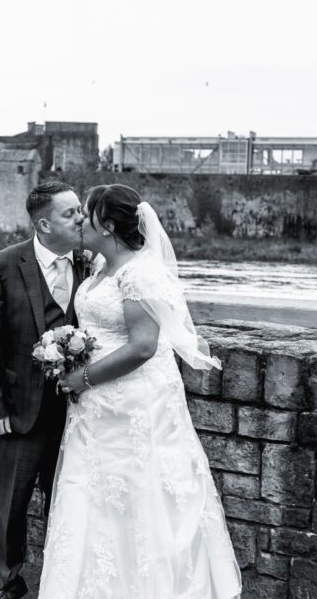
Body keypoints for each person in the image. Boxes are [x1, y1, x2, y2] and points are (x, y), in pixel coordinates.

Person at [39, 184, 242, 599]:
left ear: (109, 225)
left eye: (88, 215)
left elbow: (144, 346)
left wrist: (85, 377)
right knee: (91, 494)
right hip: (96, 408)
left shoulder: (139, 272)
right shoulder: (99, 268)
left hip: (132, 402)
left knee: (138, 493)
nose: (81, 221)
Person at [0, 181, 87, 599]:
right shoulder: (0, 266)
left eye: (81, 210)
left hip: (79, 411)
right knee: (11, 507)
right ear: (43, 224)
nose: (81, 218)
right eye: (70, 213)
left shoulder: (91, 265)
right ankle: (9, 581)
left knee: (69, 502)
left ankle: (64, 580)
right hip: (20, 410)